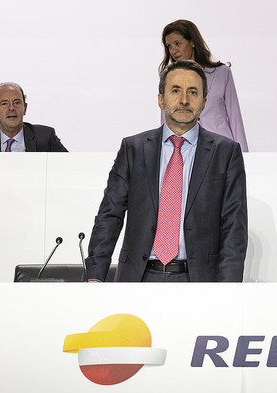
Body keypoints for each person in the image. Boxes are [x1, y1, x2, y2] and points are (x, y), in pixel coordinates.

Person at [86, 60, 248, 282]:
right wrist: (95, 276)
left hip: (199, 282)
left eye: (193, 92)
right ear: (160, 99)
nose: (184, 100)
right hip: (138, 279)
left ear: (204, 102)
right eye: (176, 90)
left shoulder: (226, 153)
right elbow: (109, 215)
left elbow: (234, 227)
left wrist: (228, 288)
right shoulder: (133, 149)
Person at [160, 19, 248, 151]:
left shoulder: (222, 73)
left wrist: (244, 156)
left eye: (177, 43)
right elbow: (166, 119)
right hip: (186, 148)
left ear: (192, 42)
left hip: (221, 147)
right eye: (169, 46)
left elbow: (235, 117)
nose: (173, 50)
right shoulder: (169, 77)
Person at [0, 82, 68, 152]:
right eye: (4, 103)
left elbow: (70, 167)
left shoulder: (45, 137)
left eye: (17, 102)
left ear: (25, 108)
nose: (11, 108)